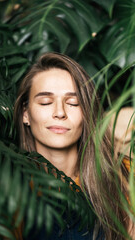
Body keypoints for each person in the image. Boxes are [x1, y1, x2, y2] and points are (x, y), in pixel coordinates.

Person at [14, 52, 132, 239]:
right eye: (45, 102)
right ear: (25, 114)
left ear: (87, 113)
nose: (60, 112)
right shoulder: (7, 186)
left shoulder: (124, 175)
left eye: (73, 103)